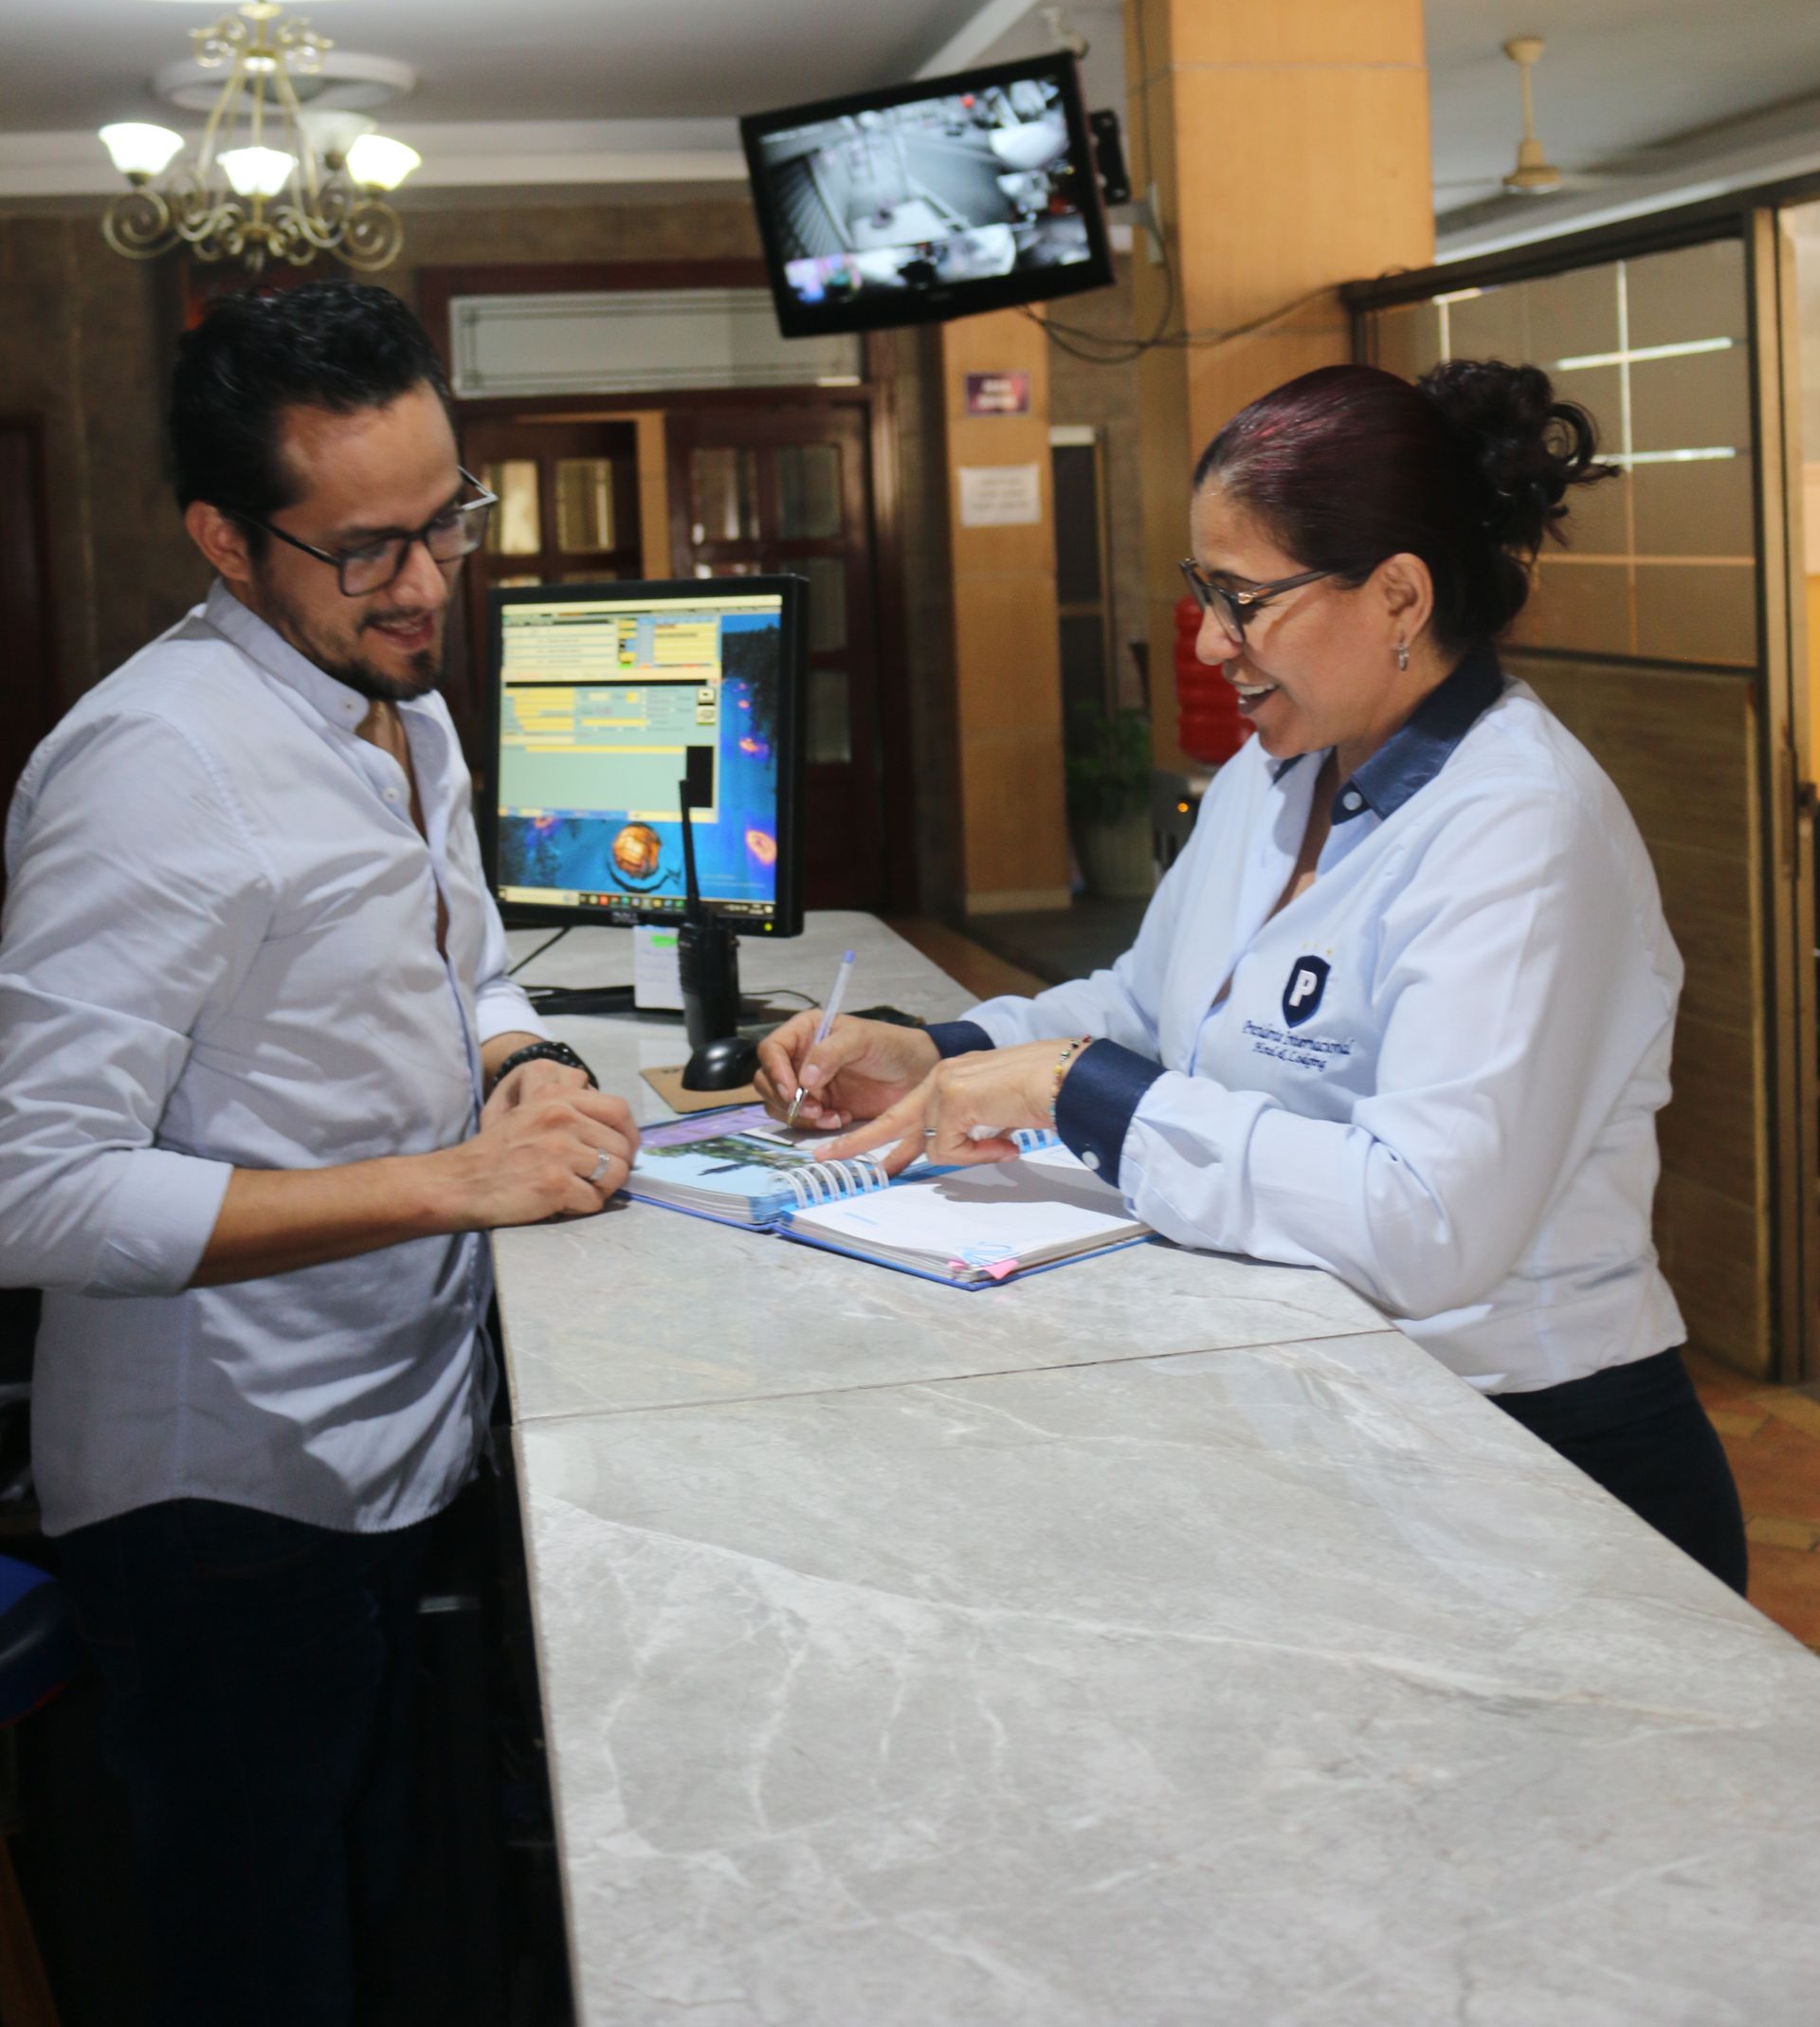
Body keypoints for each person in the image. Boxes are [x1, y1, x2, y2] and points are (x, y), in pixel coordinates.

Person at [759, 359, 1748, 1595]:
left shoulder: (1524, 830)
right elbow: (1148, 1009)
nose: (1210, 642)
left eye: (1242, 599)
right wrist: (942, 1056)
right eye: (1202, 593)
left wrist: (1075, 1092)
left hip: (1544, 1466)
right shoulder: (1281, 775)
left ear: (1397, 595)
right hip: (1343, 1417)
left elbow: (1423, 1225)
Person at [0, 281, 640, 2026]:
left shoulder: (398, 699)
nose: (428, 583)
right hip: (229, 1499)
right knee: (265, 1957)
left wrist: (523, 1066)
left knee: (387, 1904)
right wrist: (456, 1183)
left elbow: (468, 962)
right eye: (367, 547)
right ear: (224, 538)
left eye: (448, 523)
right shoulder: (149, 769)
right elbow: (33, 1190)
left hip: (397, 1429)